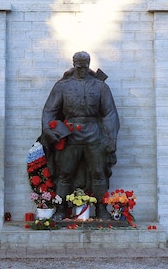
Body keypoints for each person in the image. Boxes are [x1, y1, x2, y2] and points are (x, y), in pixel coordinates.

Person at [41, 51, 120, 220]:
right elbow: (50, 111)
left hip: (94, 134)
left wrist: (111, 138)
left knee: (99, 172)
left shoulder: (101, 87)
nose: (82, 70)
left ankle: (101, 209)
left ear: (89, 65)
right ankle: (61, 209)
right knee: (65, 173)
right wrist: (49, 131)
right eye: (79, 67)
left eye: (85, 66)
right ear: (74, 64)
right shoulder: (62, 86)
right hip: (70, 134)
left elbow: (109, 114)